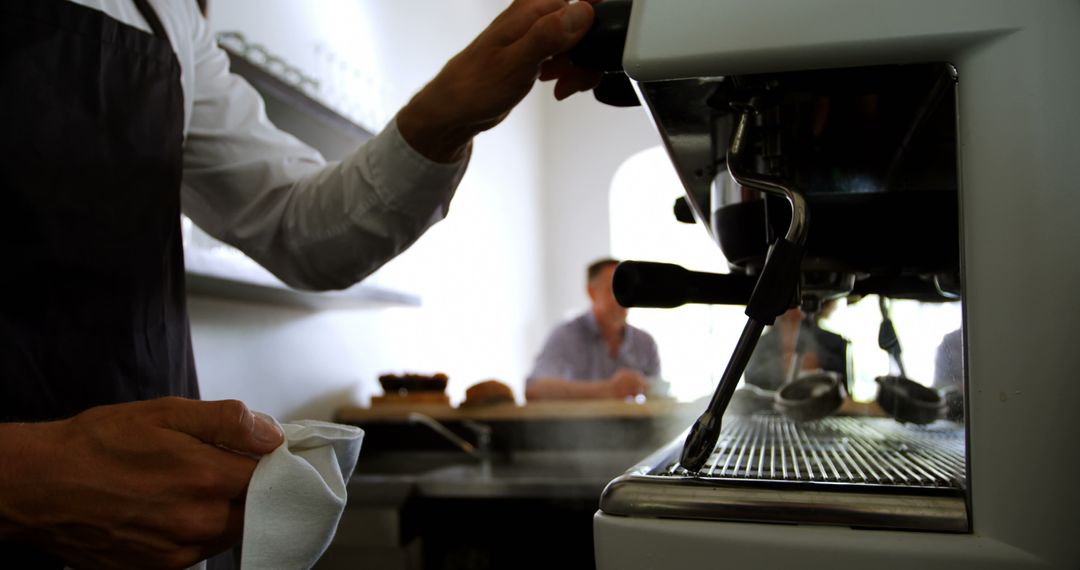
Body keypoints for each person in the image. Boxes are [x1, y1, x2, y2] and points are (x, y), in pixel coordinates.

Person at [0, 0, 602, 567]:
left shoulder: (168, 13)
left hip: (147, 519)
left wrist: (446, 113)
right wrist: (24, 476)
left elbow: (301, 228)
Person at [525, 259, 661, 400]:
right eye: (615, 289)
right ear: (591, 292)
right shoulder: (565, 336)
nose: (625, 298)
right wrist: (608, 390)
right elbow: (534, 390)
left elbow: (659, 401)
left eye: (628, 289)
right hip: (579, 422)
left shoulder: (645, 343)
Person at [744, 302, 850, 391]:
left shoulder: (833, 343)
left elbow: (840, 394)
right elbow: (749, 394)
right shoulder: (758, 345)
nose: (798, 312)